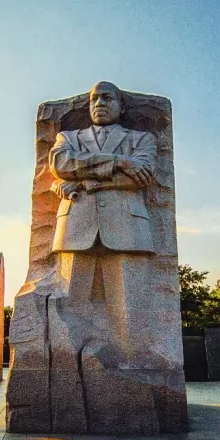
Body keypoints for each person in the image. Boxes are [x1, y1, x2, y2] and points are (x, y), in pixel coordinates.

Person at [48, 81, 157, 362]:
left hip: (128, 229)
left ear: (121, 107)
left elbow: (140, 178)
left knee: (129, 307)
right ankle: (67, 365)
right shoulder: (68, 138)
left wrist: (85, 181)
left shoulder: (142, 139)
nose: (99, 104)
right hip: (76, 225)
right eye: (94, 99)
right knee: (69, 306)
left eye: (108, 98)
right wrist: (119, 161)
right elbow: (61, 165)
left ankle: (134, 366)